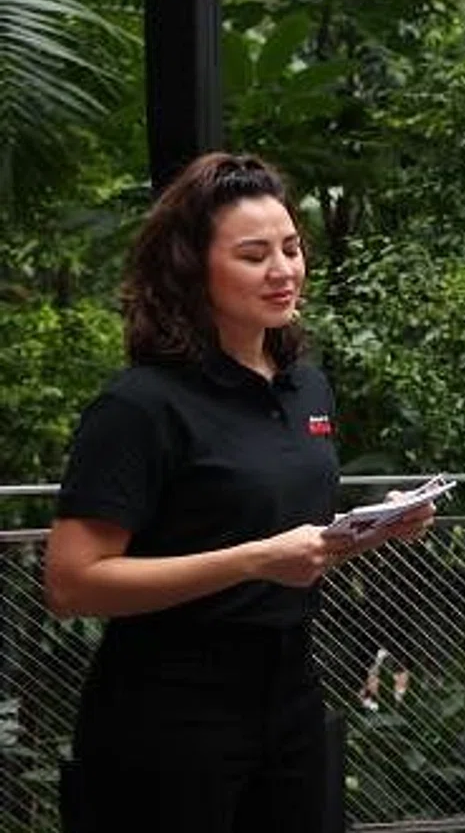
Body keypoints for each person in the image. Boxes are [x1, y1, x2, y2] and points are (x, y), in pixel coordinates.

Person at [41, 152, 434, 832]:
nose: (283, 270)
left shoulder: (305, 386)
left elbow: (285, 546)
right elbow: (72, 584)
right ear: (194, 268)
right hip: (167, 704)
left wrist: (369, 531)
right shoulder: (140, 405)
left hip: (290, 691)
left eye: (291, 247)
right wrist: (254, 559)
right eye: (255, 255)